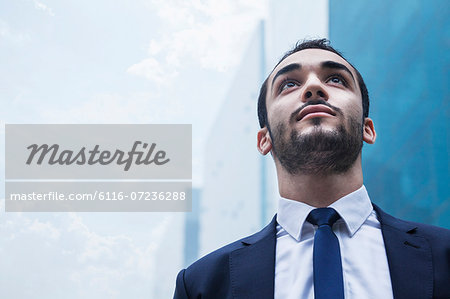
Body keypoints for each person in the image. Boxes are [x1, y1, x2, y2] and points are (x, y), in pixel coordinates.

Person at [173, 39, 450, 299]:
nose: (314, 88)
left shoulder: (444, 254)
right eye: (289, 84)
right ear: (264, 139)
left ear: (368, 129)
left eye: (336, 79)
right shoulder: (201, 284)